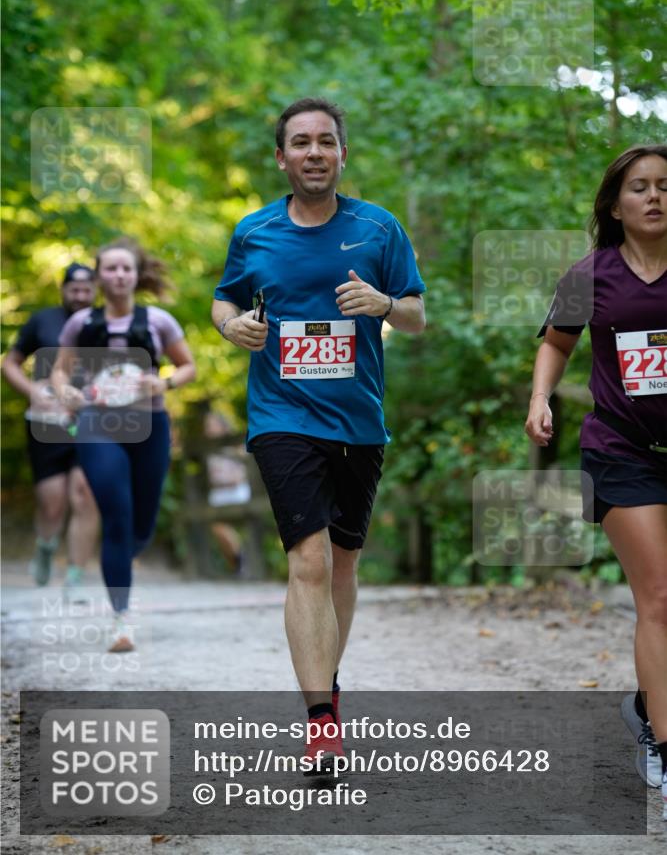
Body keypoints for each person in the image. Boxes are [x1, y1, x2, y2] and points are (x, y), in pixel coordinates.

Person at [211, 97, 426, 772]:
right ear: (281, 157)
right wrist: (231, 326)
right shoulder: (255, 232)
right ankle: (321, 722)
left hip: (358, 421)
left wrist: (385, 304)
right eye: (299, 142)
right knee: (306, 558)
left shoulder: (378, 228)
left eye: (325, 142)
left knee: (341, 564)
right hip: (281, 416)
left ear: (340, 154)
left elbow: (417, 315)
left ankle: (324, 683)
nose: (312, 152)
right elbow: (225, 298)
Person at [524, 144, 667, 820]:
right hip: (621, 451)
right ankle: (665, 752)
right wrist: (540, 400)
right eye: (638, 187)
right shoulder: (589, 274)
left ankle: (644, 707)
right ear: (615, 204)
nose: (653, 197)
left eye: (664, 186)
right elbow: (555, 341)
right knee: (658, 596)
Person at [52, 239, 196, 652]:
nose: (118, 276)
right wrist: (67, 394)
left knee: (141, 526)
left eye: (125, 269)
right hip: (97, 423)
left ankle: (123, 558)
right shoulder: (81, 324)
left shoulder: (158, 321)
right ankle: (121, 619)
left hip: (149, 423)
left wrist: (163, 381)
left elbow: (188, 367)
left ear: (136, 275)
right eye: (110, 269)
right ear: (98, 277)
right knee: (117, 512)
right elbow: (60, 373)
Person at [2, 263, 99, 592]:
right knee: (52, 501)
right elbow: (10, 362)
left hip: (92, 420)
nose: (81, 295)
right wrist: (32, 392)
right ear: (63, 290)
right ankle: (45, 548)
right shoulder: (42, 320)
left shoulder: (105, 322)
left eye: (87, 290)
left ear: (95, 291)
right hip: (48, 422)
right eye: (75, 289)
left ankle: (75, 576)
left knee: (85, 494)